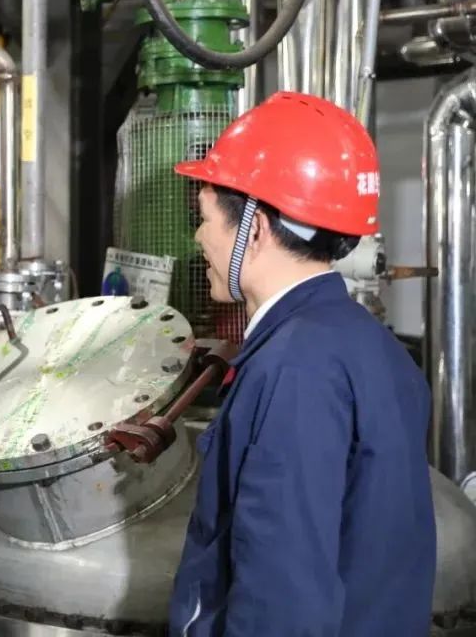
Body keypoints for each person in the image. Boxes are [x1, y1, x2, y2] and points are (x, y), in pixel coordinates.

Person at [167, 91, 436, 636]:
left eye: (205, 218)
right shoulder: (372, 345)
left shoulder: (295, 369)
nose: (199, 238)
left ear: (255, 229)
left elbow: (281, 599)